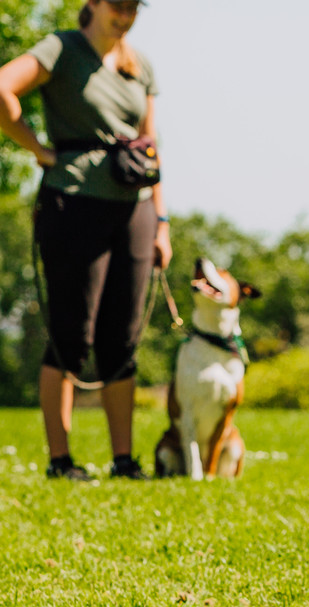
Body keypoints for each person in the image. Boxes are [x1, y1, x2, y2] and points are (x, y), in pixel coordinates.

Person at [0, 0, 172, 481]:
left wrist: (161, 221)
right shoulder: (62, 47)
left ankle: (123, 460)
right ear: (92, 3)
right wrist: (37, 149)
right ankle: (61, 461)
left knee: (123, 336)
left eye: (134, 7)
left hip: (134, 207)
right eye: (116, 4)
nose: (125, 14)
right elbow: (2, 89)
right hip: (72, 202)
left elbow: (151, 145)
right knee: (72, 333)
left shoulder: (140, 65)